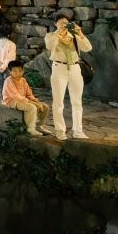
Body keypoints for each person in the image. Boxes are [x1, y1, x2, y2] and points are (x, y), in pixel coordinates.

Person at [45, 11, 93, 140]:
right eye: (61, 23)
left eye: (66, 23)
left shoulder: (74, 35)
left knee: (77, 102)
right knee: (58, 102)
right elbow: (50, 46)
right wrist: (59, 33)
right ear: (55, 24)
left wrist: (79, 32)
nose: (64, 25)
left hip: (75, 68)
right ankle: (60, 130)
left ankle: (78, 131)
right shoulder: (50, 36)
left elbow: (88, 48)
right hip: (59, 68)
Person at [2, 59, 49, 136]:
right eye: (15, 71)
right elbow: (16, 96)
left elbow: (29, 94)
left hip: (23, 100)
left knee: (45, 107)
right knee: (32, 107)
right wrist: (33, 103)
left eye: (20, 71)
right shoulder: (8, 81)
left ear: (23, 71)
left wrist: (35, 100)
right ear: (10, 72)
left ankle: (38, 125)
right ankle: (30, 129)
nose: (18, 73)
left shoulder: (23, 80)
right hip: (12, 101)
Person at [0, 24, 17, 98]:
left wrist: (0, 64)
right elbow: (11, 58)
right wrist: (4, 65)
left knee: (1, 83)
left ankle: (2, 97)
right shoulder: (11, 44)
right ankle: (8, 98)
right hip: (8, 66)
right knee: (9, 82)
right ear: (9, 34)